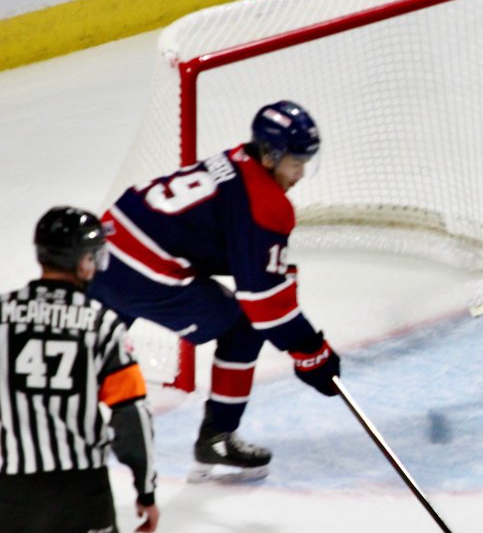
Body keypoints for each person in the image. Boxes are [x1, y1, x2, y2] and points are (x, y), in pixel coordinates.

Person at [90, 100, 342, 481]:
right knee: (242, 328)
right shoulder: (267, 203)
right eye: (295, 162)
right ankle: (217, 436)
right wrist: (312, 353)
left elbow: (222, 244)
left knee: (87, 350)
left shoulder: (239, 159)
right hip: (144, 269)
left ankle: (35, 429)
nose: (301, 173)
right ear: (271, 157)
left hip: (103, 248)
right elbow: (265, 306)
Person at [0, 207, 159, 532]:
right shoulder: (101, 324)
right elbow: (131, 414)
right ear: (84, 261)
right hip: (83, 491)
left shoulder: (2, 314)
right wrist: (146, 489)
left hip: (16, 492)